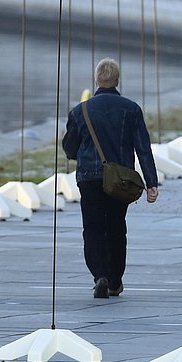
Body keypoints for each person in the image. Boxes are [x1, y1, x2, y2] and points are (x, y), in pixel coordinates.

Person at [62, 57, 159, 299]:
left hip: (89, 178)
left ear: (97, 80)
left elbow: (69, 148)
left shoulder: (80, 111)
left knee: (93, 228)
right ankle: (115, 281)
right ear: (117, 80)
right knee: (116, 228)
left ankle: (99, 275)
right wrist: (151, 183)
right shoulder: (131, 109)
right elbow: (143, 148)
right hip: (119, 180)